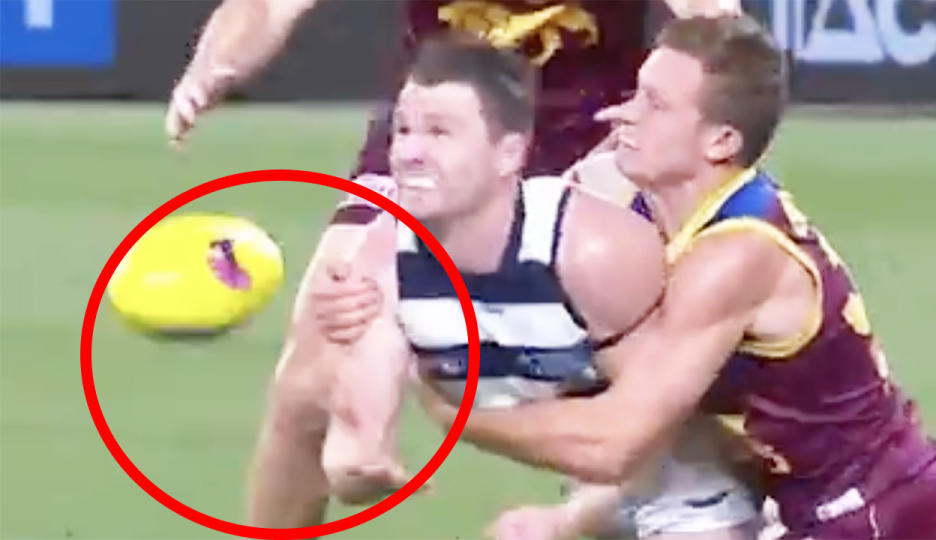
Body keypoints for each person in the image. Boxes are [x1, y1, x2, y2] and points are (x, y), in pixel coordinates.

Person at [162, 0, 742, 527]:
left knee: (657, 385)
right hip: (439, 138)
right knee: (310, 373)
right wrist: (215, 65)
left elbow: (717, 34)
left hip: (597, 149)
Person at [402, 15, 936, 539]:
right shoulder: (627, 204)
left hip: (884, 515)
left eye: (655, 104)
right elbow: (674, 430)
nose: (623, 114)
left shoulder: (736, 256)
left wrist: (460, 416)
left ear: (720, 142)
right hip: (799, 509)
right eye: (636, 91)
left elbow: (618, 439)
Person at [349, 34, 759, 539]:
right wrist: (362, 451)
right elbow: (351, 453)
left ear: (510, 153)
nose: (409, 152)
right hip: (633, 489)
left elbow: (625, 441)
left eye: (439, 132)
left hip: (749, 494)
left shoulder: (598, 251)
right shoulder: (382, 254)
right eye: (403, 130)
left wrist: (458, 420)